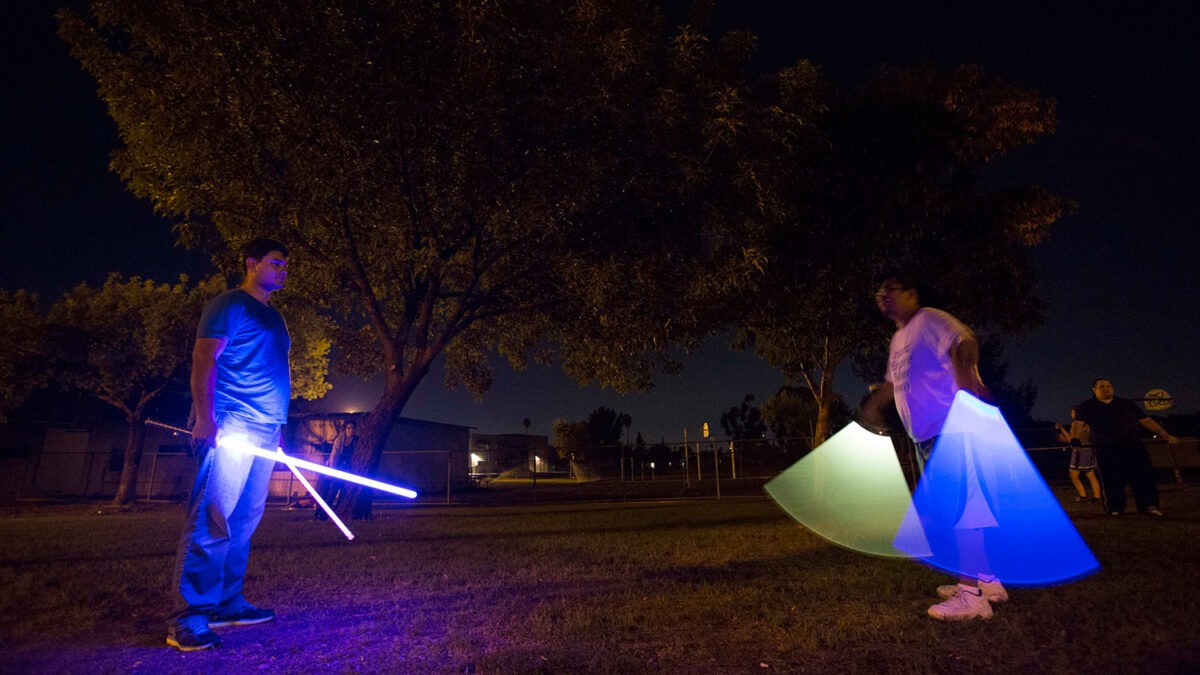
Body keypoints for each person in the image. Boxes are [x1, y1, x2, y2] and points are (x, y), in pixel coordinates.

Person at [167, 239, 291, 651]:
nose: (283, 270)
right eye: (275, 263)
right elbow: (205, 358)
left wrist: (279, 427)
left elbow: (275, 372)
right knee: (213, 516)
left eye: (286, 265)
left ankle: (226, 604)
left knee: (244, 520)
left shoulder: (276, 320)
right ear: (251, 264)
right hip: (232, 422)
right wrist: (205, 417)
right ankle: (189, 616)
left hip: (266, 428)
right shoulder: (229, 304)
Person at [860, 276, 1003, 621]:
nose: (882, 295)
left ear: (911, 293)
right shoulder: (898, 338)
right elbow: (894, 382)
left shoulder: (930, 319)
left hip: (949, 426)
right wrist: (875, 403)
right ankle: (989, 583)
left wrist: (967, 377)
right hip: (924, 435)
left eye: (890, 289)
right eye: (878, 292)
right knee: (962, 508)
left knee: (961, 511)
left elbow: (965, 342)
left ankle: (972, 598)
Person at [1071, 378, 1178, 517]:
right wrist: (1075, 439)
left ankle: (1148, 506)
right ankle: (1115, 509)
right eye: (1102, 387)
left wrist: (1166, 435)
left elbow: (1146, 421)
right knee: (1111, 479)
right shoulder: (1086, 406)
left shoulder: (1126, 404)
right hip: (1106, 448)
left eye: (1109, 386)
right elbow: (1077, 424)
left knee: (1143, 476)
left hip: (1133, 445)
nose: (1106, 389)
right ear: (1094, 389)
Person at [1055, 409, 1101, 504]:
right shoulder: (1089, 424)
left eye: (1072, 412)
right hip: (1089, 449)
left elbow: (1072, 439)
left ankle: (1083, 495)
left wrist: (1061, 429)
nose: (1071, 414)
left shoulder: (1077, 424)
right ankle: (1096, 496)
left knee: (1073, 474)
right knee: (1090, 474)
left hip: (1080, 451)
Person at [315, 420, 358, 518]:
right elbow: (334, 456)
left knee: (343, 492)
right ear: (345, 429)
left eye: (352, 428)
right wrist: (332, 470)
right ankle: (323, 514)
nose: (351, 430)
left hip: (348, 469)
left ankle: (337, 512)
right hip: (338, 468)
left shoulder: (356, 440)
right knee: (332, 491)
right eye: (349, 428)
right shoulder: (339, 440)